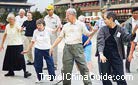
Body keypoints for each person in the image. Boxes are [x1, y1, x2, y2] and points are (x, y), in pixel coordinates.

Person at [49, 8, 95, 85]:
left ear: (73, 15)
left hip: (78, 48)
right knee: (66, 70)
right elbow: (60, 37)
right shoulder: (66, 26)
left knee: (83, 68)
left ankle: (88, 83)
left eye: (67, 15)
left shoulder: (81, 24)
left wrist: (93, 30)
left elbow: (88, 34)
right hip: (67, 48)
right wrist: (52, 46)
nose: (66, 17)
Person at [97, 11, 137, 85]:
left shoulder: (120, 29)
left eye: (105, 19)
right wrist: (101, 54)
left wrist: (133, 32)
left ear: (111, 19)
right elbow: (100, 43)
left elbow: (127, 38)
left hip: (117, 56)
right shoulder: (102, 29)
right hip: (104, 56)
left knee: (120, 77)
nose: (103, 21)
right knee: (105, 78)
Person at [0, 13, 31, 78]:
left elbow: (20, 29)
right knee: (9, 59)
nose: (11, 20)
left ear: (14, 19)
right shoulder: (7, 26)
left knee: (20, 58)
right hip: (10, 45)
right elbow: (5, 35)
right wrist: (2, 44)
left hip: (18, 45)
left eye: (12, 19)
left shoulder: (17, 25)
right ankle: (11, 72)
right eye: (10, 19)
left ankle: (25, 72)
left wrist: (21, 29)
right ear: (8, 20)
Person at [44, 4, 62, 69]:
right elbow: (44, 25)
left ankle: (54, 65)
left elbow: (59, 25)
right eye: (47, 10)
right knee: (47, 49)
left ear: (52, 10)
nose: (48, 11)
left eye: (49, 10)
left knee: (54, 49)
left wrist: (56, 30)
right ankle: (48, 64)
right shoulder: (46, 17)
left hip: (54, 35)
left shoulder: (56, 17)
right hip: (47, 36)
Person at [125, 8, 138, 73]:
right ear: (132, 13)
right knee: (129, 55)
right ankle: (127, 68)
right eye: (134, 13)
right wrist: (133, 31)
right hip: (132, 41)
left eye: (137, 13)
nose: (136, 14)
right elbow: (126, 33)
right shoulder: (128, 22)